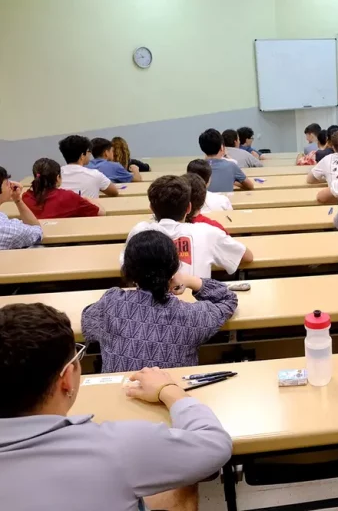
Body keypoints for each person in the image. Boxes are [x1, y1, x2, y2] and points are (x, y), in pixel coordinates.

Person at [0, 303, 233, 511]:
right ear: (67, 379)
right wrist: (168, 389)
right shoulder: (117, 446)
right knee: (182, 483)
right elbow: (214, 444)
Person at [83, 230, 237, 372]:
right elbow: (228, 299)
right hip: (172, 398)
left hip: (120, 395)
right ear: (173, 269)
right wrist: (189, 280)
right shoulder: (191, 315)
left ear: (128, 270)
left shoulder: (111, 303)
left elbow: (87, 325)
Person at [124, 175, 252, 278]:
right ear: (189, 208)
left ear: (151, 208)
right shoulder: (207, 232)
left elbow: (125, 267)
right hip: (195, 306)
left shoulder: (138, 231)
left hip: (150, 307)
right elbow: (247, 256)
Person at [22, 158, 104, 219]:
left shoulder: (25, 197)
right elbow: (100, 213)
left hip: (35, 240)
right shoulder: (68, 197)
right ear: (58, 178)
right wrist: (88, 199)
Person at [198, 128, 254, 192]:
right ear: (222, 147)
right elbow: (250, 186)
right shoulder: (231, 166)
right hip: (227, 201)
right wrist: (234, 182)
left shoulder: (197, 168)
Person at [307, 130, 338, 204]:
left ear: (333, 147)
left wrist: (327, 177)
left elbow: (310, 179)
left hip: (335, 199)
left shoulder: (328, 159)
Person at [0, 166, 43, 250]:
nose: (11, 185)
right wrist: (18, 200)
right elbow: (37, 232)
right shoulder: (9, 230)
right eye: (7, 183)